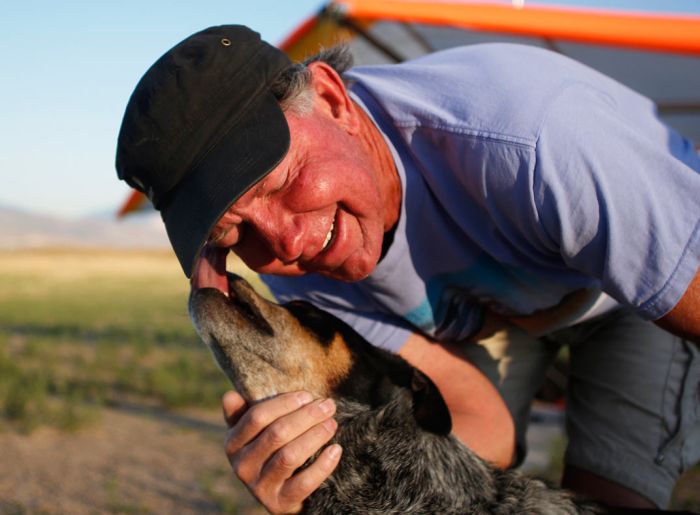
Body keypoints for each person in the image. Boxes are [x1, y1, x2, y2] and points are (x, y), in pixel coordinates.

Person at [116, 25, 700, 513]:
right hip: (498, 323)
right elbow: (484, 430)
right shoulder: (291, 259)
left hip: (630, 300)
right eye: (232, 231)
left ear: (333, 100)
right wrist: (328, 471)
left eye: (284, 179)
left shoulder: (532, 140)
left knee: (609, 497)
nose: (288, 242)